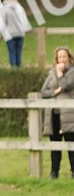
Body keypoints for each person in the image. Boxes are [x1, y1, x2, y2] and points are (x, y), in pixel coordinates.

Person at [41, 46, 74, 178]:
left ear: (69, 58)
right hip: (54, 115)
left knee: (71, 145)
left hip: (69, 115)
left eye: (64, 57)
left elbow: (66, 85)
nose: (62, 59)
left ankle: (73, 172)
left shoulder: (72, 72)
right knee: (55, 144)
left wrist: (60, 74)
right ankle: (54, 172)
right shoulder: (51, 73)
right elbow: (44, 92)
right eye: (59, 57)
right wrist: (55, 92)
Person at [0, 0, 31, 67]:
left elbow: (2, 23)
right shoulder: (20, 8)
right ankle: (19, 67)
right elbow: (25, 21)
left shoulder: (5, 9)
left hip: (9, 34)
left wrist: (1, 34)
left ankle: (13, 68)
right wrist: (25, 30)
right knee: (19, 51)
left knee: (11, 51)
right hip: (20, 33)